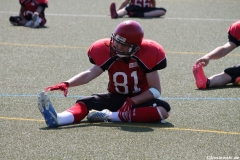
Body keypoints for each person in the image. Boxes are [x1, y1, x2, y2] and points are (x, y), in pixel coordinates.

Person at [38, 20, 171, 128]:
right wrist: (67, 83)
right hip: (115, 96)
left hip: (138, 99)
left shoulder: (146, 55)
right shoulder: (108, 52)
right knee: (85, 102)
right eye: (117, 41)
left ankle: (109, 116)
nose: (117, 46)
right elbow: (89, 74)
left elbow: (155, 90)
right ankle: (59, 119)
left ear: (134, 47)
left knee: (164, 110)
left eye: (123, 45)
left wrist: (133, 101)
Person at [193, 20, 240, 89]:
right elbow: (224, 49)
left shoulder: (237, 27)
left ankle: (208, 82)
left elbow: (224, 49)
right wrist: (208, 56)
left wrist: (208, 56)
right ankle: (207, 82)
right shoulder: (237, 28)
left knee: (230, 75)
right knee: (231, 74)